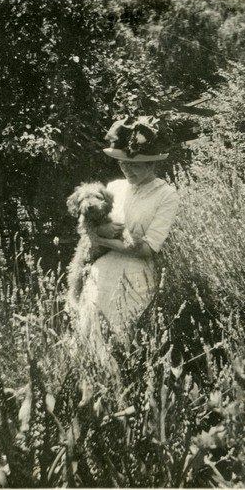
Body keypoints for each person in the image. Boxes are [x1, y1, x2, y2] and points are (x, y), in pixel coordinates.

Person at [76, 115, 180, 361]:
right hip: (100, 273)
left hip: (136, 278)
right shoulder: (114, 188)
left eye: (134, 164)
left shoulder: (166, 195)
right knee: (88, 340)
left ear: (152, 163)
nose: (126, 169)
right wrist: (99, 235)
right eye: (122, 163)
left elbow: (147, 249)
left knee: (122, 346)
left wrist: (101, 240)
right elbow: (90, 226)